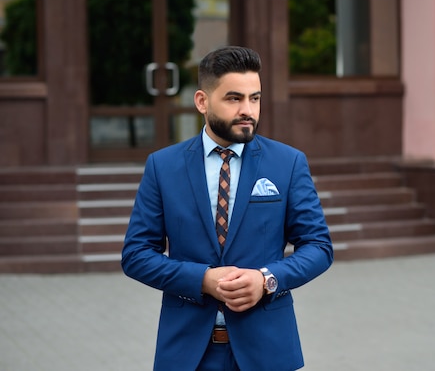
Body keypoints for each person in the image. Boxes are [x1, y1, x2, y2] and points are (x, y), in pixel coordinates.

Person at [121, 46, 334, 371]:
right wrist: (201, 279)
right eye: (234, 99)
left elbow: (318, 247)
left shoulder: (287, 163)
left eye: (255, 98)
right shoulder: (163, 166)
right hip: (188, 355)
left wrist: (267, 279)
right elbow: (136, 254)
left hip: (267, 354)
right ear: (202, 102)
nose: (247, 109)